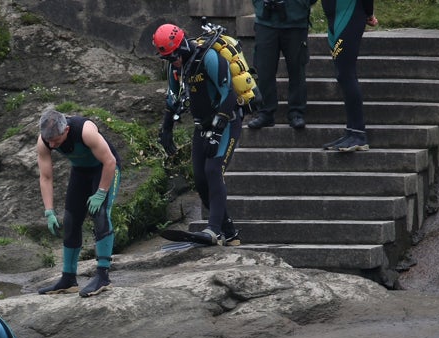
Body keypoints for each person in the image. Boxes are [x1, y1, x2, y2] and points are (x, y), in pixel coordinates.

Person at [154, 22, 242, 246]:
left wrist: (217, 131)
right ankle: (229, 231)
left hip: (227, 120)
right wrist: (166, 129)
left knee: (213, 170)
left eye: (173, 56)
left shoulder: (209, 58)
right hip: (202, 125)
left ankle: (213, 231)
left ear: (182, 46)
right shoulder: (176, 68)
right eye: (167, 58)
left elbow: (229, 95)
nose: (172, 61)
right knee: (201, 180)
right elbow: (173, 98)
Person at [36, 108, 122, 298]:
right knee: (70, 219)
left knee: (100, 214)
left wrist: (100, 193)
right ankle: (68, 279)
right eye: (48, 141)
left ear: (66, 130)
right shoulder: (44, 141)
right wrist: (49, 211)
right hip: (80, 172)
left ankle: (103, 277)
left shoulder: (85, 131)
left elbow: (110, 161)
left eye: (55, 141)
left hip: (105, 168)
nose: (51, 144)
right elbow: (46, 177)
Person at [247, 0, 317, 130]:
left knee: (297, 69)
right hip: (266, 20)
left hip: (295, 20)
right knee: (264, 70)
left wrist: (303, 4)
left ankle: (296, 112)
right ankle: (265, 112)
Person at [322, 0, 378, 151]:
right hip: (334, 19)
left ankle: (359, 134)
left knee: (346, 74)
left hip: (350, 15)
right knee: (342, 75)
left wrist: (369, 13)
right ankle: (351, 131)